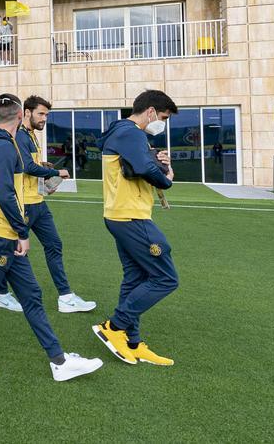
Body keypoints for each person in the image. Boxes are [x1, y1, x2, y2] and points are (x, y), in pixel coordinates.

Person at [0, 94, 102, 381]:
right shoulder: (5, 148)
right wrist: (22, 232)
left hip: (3, 235)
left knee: (31, 295)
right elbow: (6, 193)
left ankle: (58, 361)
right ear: (20, 117)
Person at [93, 90, 179, 367]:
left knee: (136, 278)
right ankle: (113, 327)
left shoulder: (125, 133)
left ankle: (132, 341)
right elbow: (143, 166)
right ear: (151, 111)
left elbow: (138, 164)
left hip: (124, 214)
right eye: (163, 117)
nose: (162, 123)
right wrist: (166, 178)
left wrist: (157, 160)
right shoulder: (131, 132)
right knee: (166, 278)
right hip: (131, 217)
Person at [0, 96, 95, 315]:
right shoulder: (19, 134)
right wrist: (55, 172)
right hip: (26, 204)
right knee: (12, 250)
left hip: (38, 201)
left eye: (47, 114)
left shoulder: (31, 135)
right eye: (41, 113)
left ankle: (65, 297)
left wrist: (45, 168)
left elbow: (30, 164)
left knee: (54, 245)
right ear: (26, 113)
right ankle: (0, 294)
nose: (44, 118)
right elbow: (27, 166)